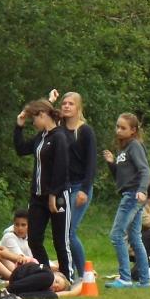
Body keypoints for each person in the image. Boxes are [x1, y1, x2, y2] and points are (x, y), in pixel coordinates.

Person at [13, 98, 72, 280]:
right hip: (37, 197)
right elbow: (21, 149)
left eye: (34, 118)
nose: (33, 123)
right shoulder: (41, 137)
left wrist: (53, 194)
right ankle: (47, 275)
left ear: (43, 115)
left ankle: (67, 276)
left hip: (57, 195)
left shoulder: (59, 137)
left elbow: (61, 167)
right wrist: (19, 126)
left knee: (60, 240)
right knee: (34, 239)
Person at [49, 90, 97, 282]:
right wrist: (50, 101)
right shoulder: (59, 130)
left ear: (78, 107)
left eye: (71, 104)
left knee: (70, 232)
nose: (66, 106)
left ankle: (85, 274)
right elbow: (43, 117)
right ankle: (69, 272)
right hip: (62, 187)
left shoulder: (85, 131)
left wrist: (85, 189)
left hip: (79, 186)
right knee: (62, 232)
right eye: (64, 103)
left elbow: (91, 163)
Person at [102, 112, 150, 289]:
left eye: (123, 128)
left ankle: (125, 278)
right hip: (129, 193)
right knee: (135, 238)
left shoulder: (134, 146)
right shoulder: (123, 149)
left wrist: (142, 190)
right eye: (118, 127)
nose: (119, 130)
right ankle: (145, 281)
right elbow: (121, 177)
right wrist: (111, 163)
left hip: (133, 195)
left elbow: (145, 170)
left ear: (133, 130)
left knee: (116, 235)